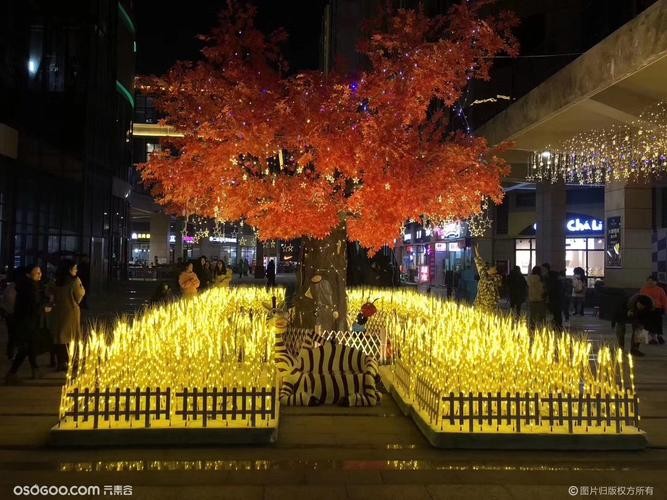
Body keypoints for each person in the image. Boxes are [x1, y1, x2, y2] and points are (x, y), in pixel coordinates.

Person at [5, 266, 49, 383]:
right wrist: (44, 307)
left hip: (26, 322)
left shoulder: (28, 286)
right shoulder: (30, 288)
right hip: (27, 322)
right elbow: (33, 307)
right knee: (25, 348)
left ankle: (34, 370)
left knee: (30, 346)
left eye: (40, 272)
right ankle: (12, 373)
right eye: (37, 273)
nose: (40, 275)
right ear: (28, 275)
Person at [50, 260, 85, 371]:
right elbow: (79, 295)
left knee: (60, 337)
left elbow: (49, 293)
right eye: (74, 269)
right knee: (72, 336)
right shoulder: (74, 281)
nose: (76, 271)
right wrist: (82, 291)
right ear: (69, 270)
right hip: (71, 311)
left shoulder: (55, 280)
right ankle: (72, 361)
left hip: (57, 310)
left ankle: (61, 361)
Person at [473, 245, 501, 313]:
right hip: (480, 303)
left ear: (495, 271)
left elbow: (482, 268)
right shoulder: (484, 275)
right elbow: (480, 266)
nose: (489, 268)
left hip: (490, 305)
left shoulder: (496, 278)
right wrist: (477, 254)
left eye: (492, 268)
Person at [639, 275, 667, 344]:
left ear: (656, 282)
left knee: (658, 323)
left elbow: (664, 300)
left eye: (652, 281)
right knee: (648, 324)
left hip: (657, 309)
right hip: (646, 309)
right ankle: (652, 338)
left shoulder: (660, 290)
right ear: (647, 281)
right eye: (649, 281)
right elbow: (639, 299)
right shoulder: (643, 289)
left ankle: (659, 336)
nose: (650, 282)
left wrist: (666, 310)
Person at [1, 276, 17, 359]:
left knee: (12, 335)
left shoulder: (10, 287)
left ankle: (10, 352)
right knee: (13, 335)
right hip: (12, 314)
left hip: (9, 314)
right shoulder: (13, 288)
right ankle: (11, 352)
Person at [527, 266, 546, 332]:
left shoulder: (529, 278)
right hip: (540, 299)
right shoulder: (540, 279)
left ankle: (532, 328)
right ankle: (541, 329)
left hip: (532, 299)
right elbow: (542, 289)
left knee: (532, 315)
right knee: (541, 315)